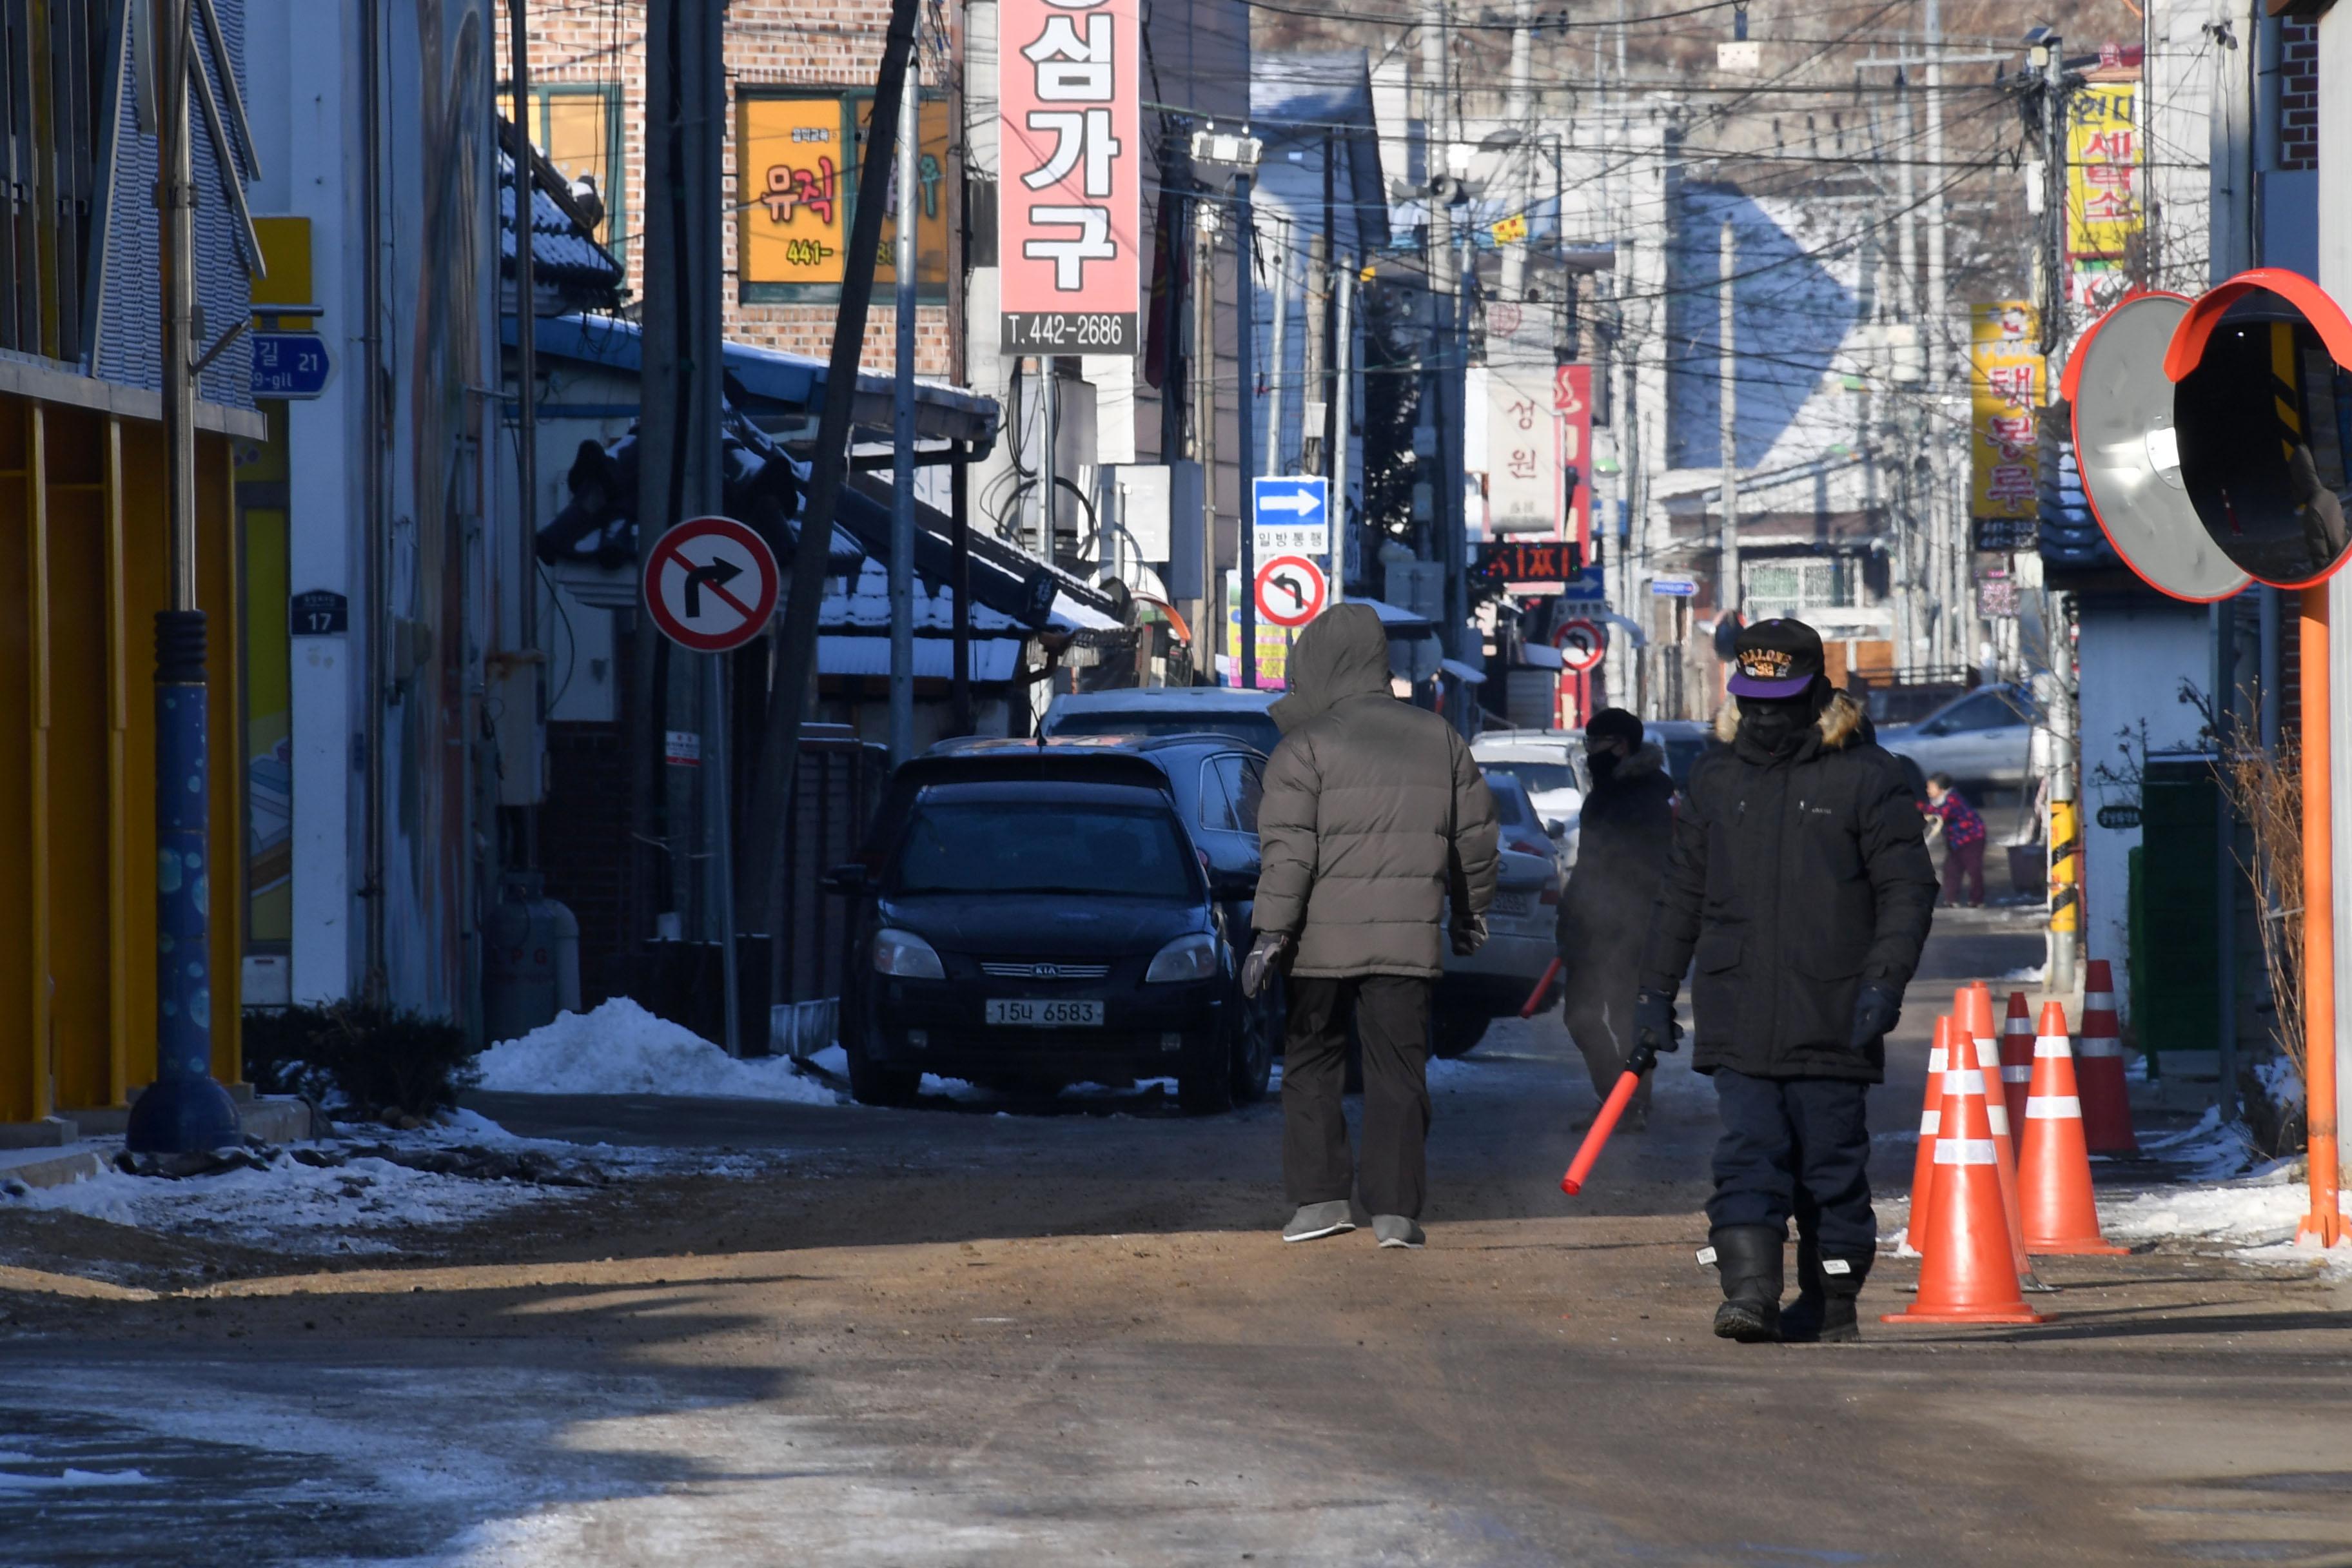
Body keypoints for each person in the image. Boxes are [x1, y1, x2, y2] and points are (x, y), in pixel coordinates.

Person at [1636, 618, 1937, 1342]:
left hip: (1835, 1007)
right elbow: (1682, 893)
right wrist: (1652, 993)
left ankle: (1831, 1303)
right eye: (1753, 699)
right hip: (1739, 1006)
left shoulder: (1868, 776)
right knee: (1748, 1149)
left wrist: (1883, 983)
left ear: (1819, 694)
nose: (1765, 714)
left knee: (1830, 1166)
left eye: (1782, 699)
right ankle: (1749, 1292)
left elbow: (1908, 889)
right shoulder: (1716, 777)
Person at [1241, 603, 1500, 1250]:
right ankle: (1394, 1212)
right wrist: (1471, 915)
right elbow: (1475, 840)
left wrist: (1269, 933)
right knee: (1398, 1073)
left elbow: (1289, 852)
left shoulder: (1303, 746)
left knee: (1310, 1065)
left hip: (1316, 948)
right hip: (1404, 943)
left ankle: (1320, 1199)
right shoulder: (1441, 739)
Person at [1554, 708, 1678, 1131]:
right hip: (1592, 925)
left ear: (1621, 746)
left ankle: (1630, 1106)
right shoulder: (1605, 794)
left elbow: (1648, 869)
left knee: (1627, 1019)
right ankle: (1616, 1100)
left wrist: (1628, 919)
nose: (1590, 754)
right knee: (1581, 1016)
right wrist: (1573, 916)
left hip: (1630, 929)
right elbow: (1591, 864)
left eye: (1596, 744)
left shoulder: (1647, 797)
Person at [1923, 772, 1987, 908]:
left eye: (1931, 787)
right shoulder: (1938, 801)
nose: (1928, 790)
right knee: (1951, 869)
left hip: (1972, 838)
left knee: (1974, 869)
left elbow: (1943, 813)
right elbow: (1934, 811)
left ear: (1941, 789)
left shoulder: (1953, 799)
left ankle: (1977, 900)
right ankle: (1951, 899)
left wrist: (1921, 808)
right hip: (1955, 841)